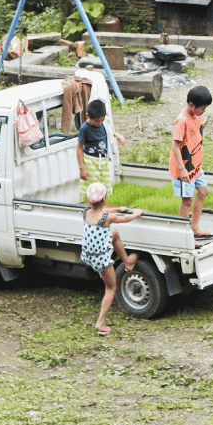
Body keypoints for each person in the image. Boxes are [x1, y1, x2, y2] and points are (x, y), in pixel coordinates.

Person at [79, 182, 141, 335]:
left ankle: (127, 261)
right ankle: (100, 323)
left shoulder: (86, 212)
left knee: (113, 233)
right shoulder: (108, 218)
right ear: (105, 199)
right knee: (111, 287)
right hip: (100, 259)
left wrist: (118, 209)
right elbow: (125, 220)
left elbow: (102, 210)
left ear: (89, 201)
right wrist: (136, 213)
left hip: (87, 255)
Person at [168, 84, 212, 236]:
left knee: (203, 191)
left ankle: (195, 228)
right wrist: (182, 169)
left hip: (195, 167)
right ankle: (183, 235)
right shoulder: (182, 120)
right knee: (186, 201)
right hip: (184, 169)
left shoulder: (197, 116)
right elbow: (175, 146)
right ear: (191, 105)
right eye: (202, 108)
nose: (203, 111)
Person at [76, 100, 119, 203]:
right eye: (96, 120)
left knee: (105, 185)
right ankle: (91, 208)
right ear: (87, 116)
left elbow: (108, 132)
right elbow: (79, 148)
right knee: (92, 187)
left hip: (103, 160)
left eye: (101, 120)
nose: (99, 122)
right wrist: (82, 168)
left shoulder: (105, 123)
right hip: (91, 160)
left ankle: (103, 207)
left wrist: (117, 135)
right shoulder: (85, 129)